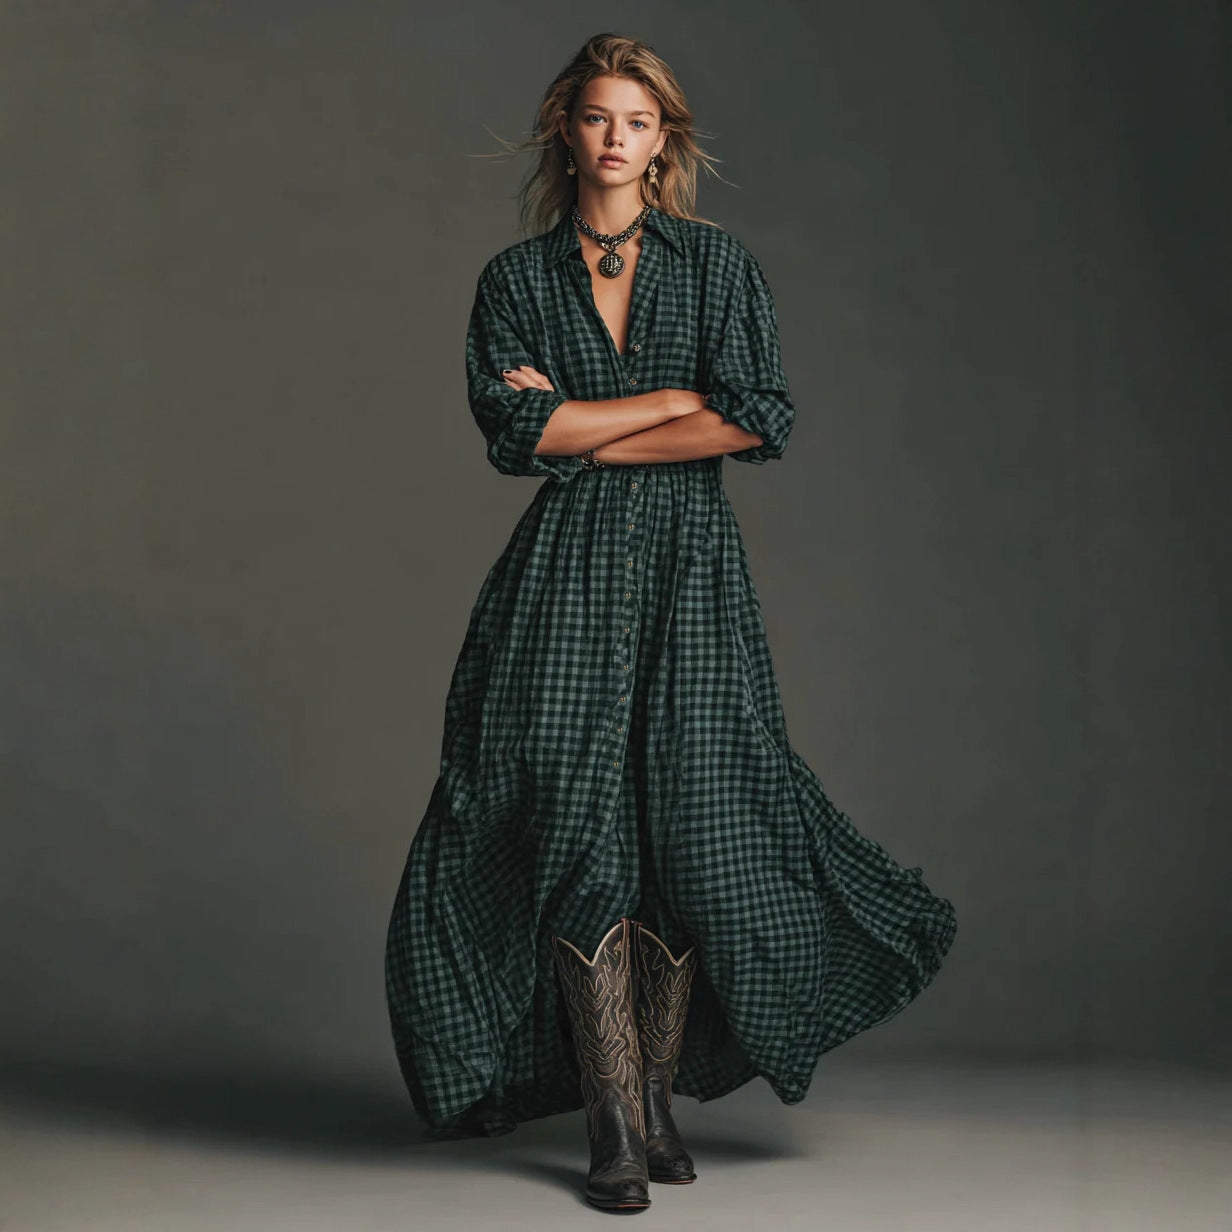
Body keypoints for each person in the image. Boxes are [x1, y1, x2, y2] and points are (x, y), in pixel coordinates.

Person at [384, 32, 958, 1214]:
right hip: (562, 578)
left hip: (691, 573)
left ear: (663, 141)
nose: (614, 138)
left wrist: (585, 426)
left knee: (693, 821)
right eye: (597, 116)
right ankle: (610, 1119)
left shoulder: (717, 266)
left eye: (636, 121)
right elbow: (513, 434)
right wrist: (660, 399)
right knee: (572, 813)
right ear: (565, 129)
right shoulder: (514, 280)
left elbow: (754, 417)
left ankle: (651, 1099)